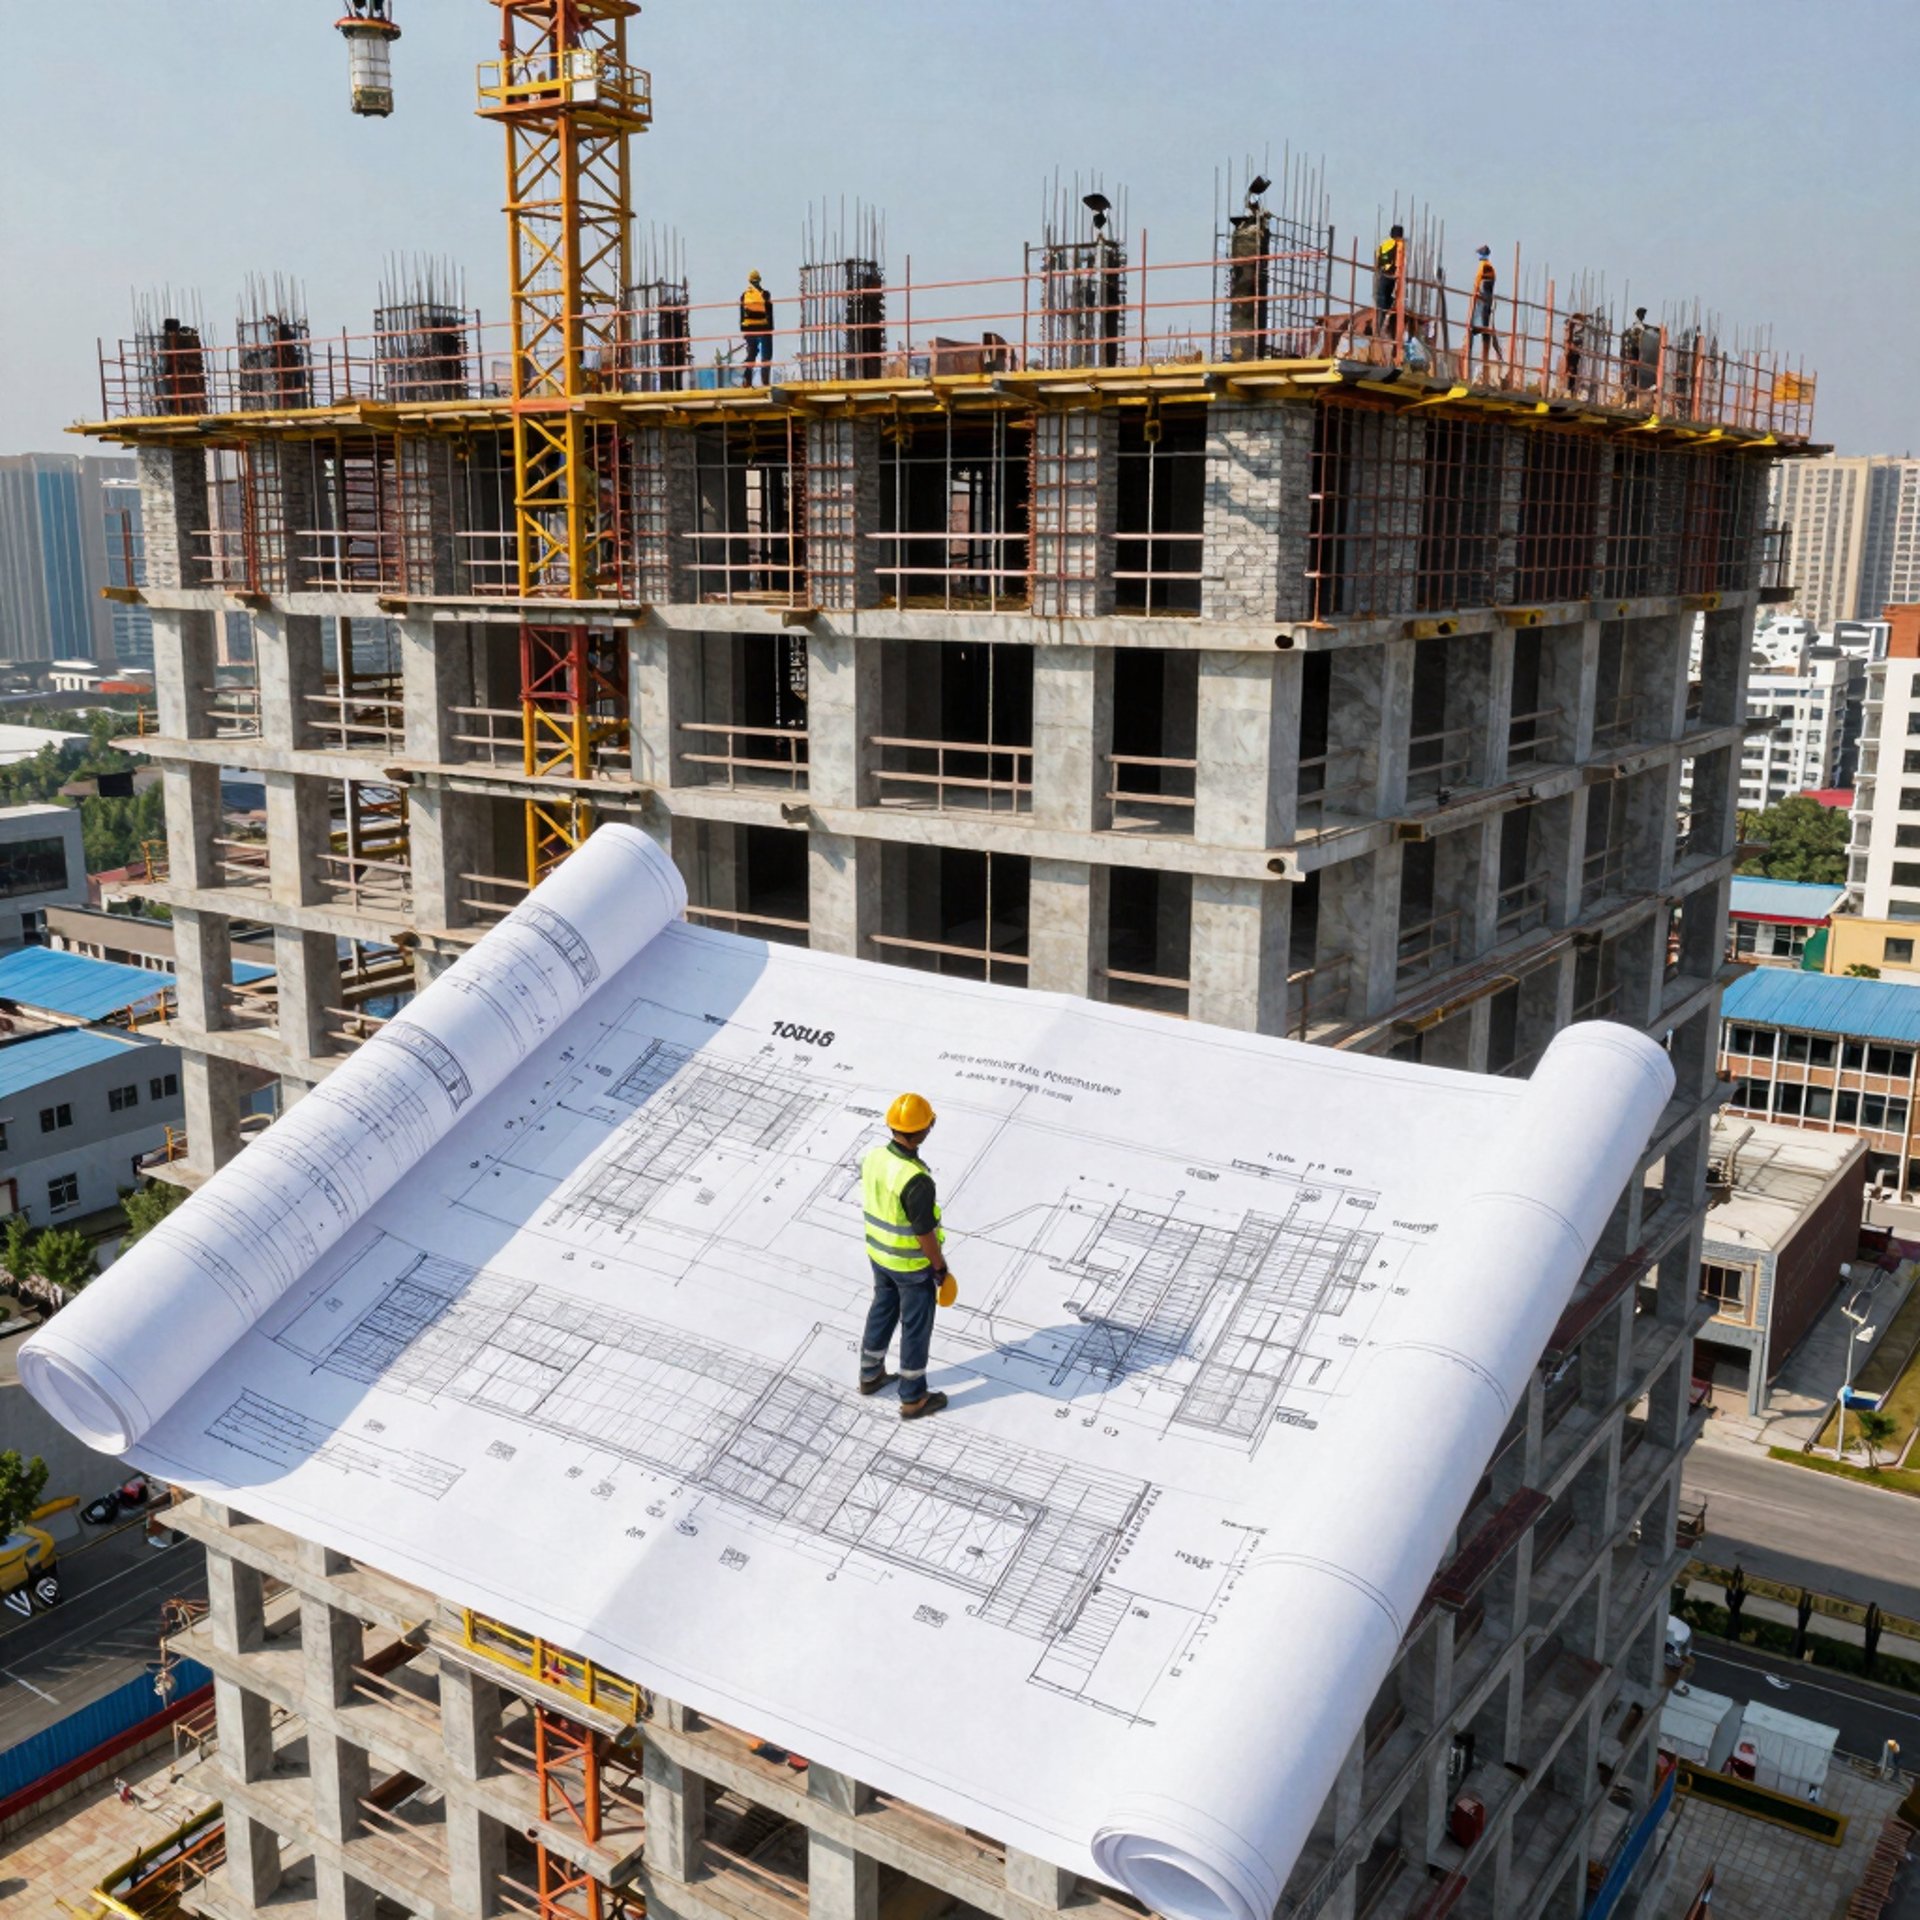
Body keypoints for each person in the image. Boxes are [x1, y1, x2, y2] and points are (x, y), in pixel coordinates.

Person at [858, 1092, 955, 1420]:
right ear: (925, 1129)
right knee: (915, 1327)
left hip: (879, 1255)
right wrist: (939, 1268)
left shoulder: (873, 1158)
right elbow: (924, 1232)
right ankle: (913, 1398)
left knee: (882, 1309)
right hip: (911, 1266)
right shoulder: (917, 1180)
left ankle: (870, 1375)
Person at [739, 270, 774, 387]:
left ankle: (747, 381)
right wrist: (770, 329)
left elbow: (741, 314)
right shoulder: (765, 294)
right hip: (763, 329)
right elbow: (769, 312)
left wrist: (743, 330)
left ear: (749, 281)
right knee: (766, 357)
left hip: (749, 329)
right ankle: (765, 382)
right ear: (759, 280)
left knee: (751, 355)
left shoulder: (744, 295)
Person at [1469, 245, 1503, 362]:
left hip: (1484, 296)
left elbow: (1478, 279)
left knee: (1478, 322)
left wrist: (1476, 289)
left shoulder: (1483, 266)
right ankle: (1481, 327)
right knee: (1485, 320)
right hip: (1488, 297)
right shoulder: (1491, 267)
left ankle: (1479, 327)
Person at [1374, 224, 1404, 331]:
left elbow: (1379, 256)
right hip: (1395, 276)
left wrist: (1379, 267)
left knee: (1381, 298)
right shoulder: (1401, 245)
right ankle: (1386, 314)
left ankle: (1379, 325)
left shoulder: (1388, 243)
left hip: (1386, 274)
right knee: (1388, 297)